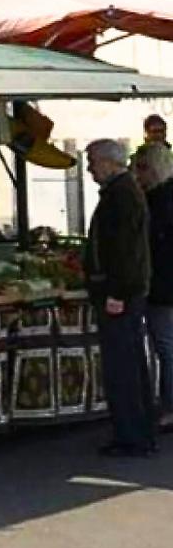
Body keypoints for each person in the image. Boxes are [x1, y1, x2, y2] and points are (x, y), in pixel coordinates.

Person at [84, 139, 156, 457]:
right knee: (129, 363)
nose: (89, 168)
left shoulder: (121, 196)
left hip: (121, 293)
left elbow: (125, 251)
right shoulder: (123, 192)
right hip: (127, 290)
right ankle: (137, 431)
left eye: (92, 161)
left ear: (110, 162)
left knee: (122, 366)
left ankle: (132, 435)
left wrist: (116, 292)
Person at [133, 142, 173, 430]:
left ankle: (170, 407)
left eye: (141, 168)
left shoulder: (157, 201)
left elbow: (153, 248)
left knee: (167, 349)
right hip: (165, 286)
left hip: (163, 288)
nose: (137, 174)